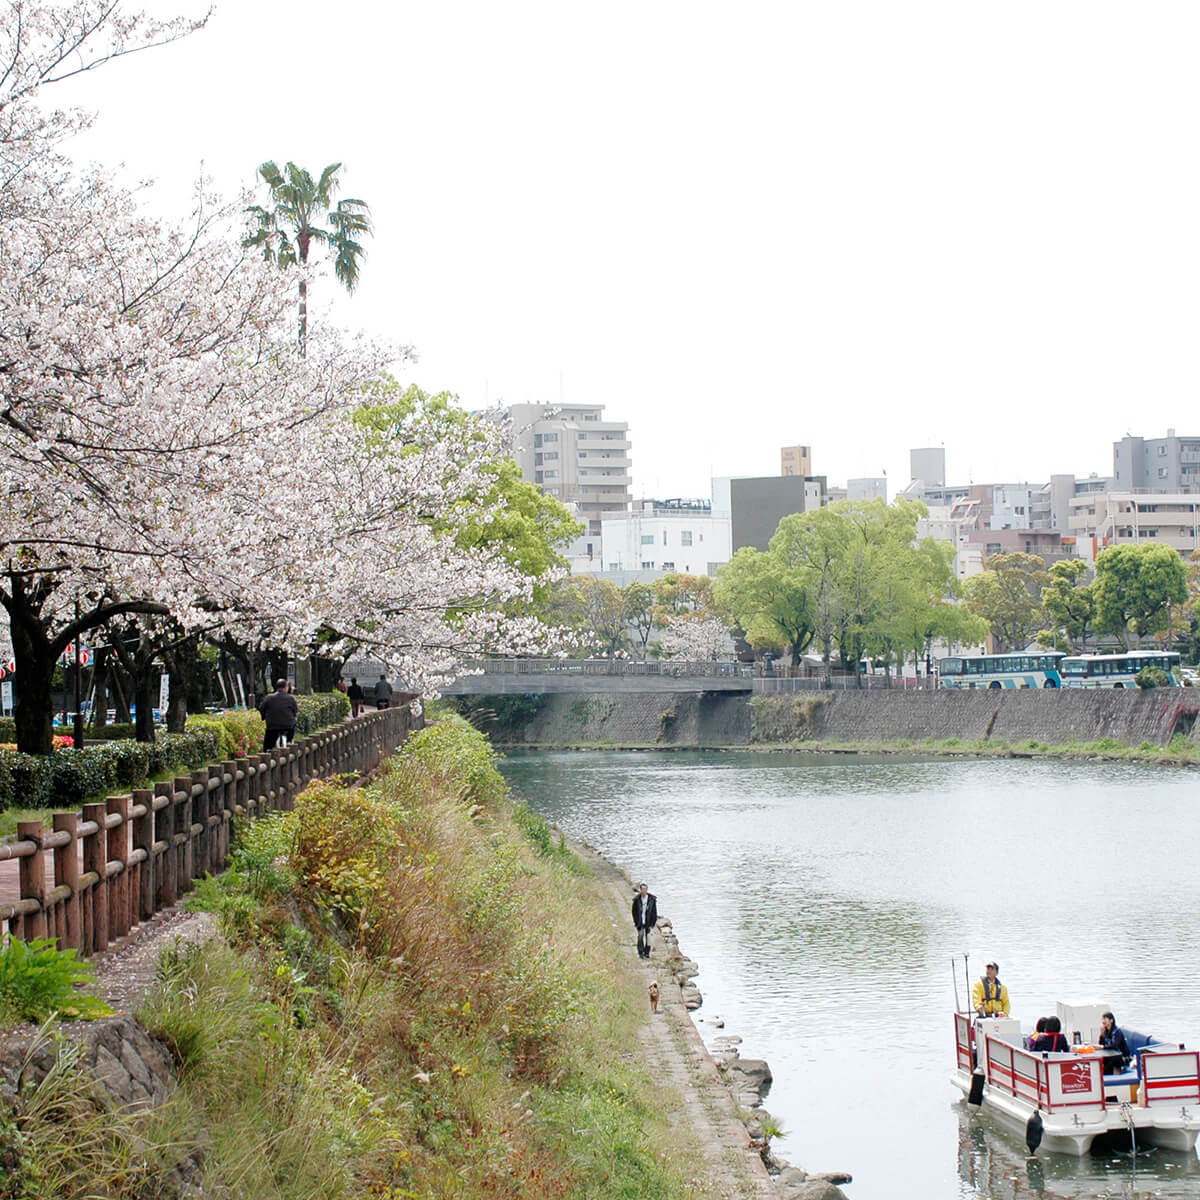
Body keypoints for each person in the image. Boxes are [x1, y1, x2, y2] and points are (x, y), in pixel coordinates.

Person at [258, 679, 298, 751]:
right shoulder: (291, 698)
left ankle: (267, 751)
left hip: (272, 726)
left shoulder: (269, 698)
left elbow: (261, 709)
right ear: (286, 688)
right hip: (288, 726)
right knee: (291, 730)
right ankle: (289, 742)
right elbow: (295, 711)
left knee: (268, 745)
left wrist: (264, 717)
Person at [631, 882, 658, 960]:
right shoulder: (637, 900)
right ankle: (641, 952)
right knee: (640, 936)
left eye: (645, 889)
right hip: (640, 922)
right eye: (642, 889)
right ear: (640, 890)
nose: (644, 891)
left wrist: (653, 923)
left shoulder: (652, 900)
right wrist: (636, 921)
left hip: (648, 922)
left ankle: (647, 953)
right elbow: (634, 911)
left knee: (649, 938)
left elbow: (654, 912)